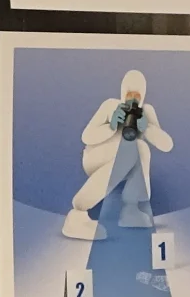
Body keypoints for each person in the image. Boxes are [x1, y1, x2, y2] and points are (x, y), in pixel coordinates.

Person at [63, 70, 174, 241]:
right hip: (96, 157)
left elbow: (166, 145)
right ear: (123, 92)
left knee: (141, 148)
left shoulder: (146, 111)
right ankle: (78, 214)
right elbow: (86, 136)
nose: (133, 100)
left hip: (125, 160)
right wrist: (111, 126)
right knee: (131, 148)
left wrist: (148, 128)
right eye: (129, 94)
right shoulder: (111, 106)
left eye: (137, 95)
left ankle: (131, 209)